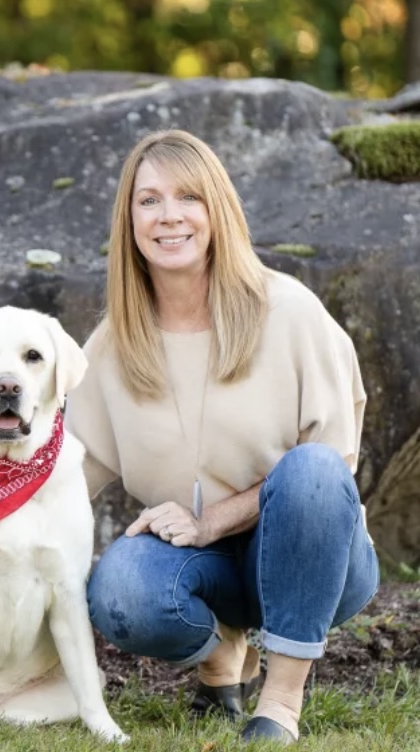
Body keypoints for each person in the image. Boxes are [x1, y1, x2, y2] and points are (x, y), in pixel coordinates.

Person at [65, 130, 378, 745]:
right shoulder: (112, 344)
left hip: (312, 559)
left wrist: (214, 520)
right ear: (129, 219)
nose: (169, 216)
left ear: (218, 210)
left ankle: (281, 699)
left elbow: (333, 465)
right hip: (200, 568)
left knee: (311, 469)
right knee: (122, 588)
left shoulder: (288, 311)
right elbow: (59, 467)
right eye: (149, 200)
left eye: (189, 197)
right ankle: (220, 661)